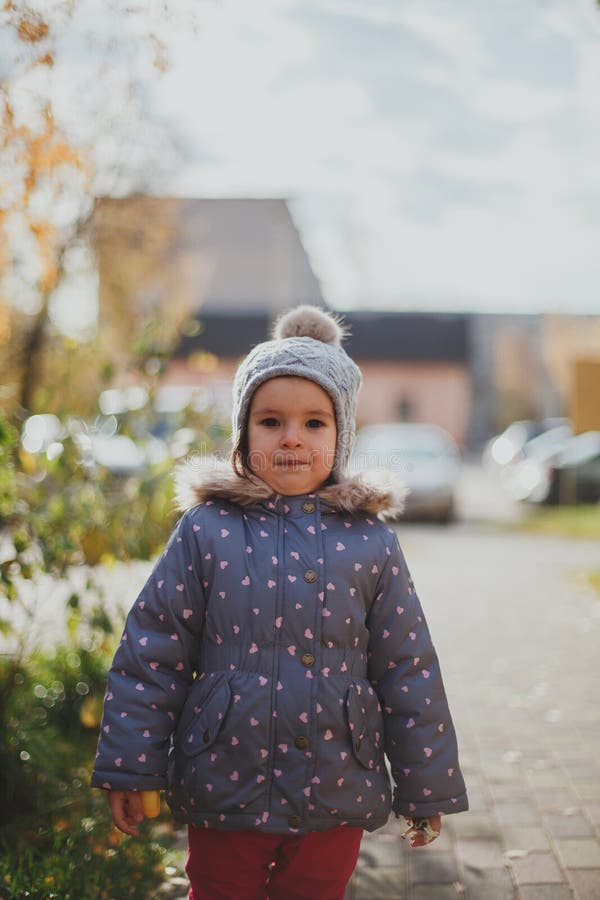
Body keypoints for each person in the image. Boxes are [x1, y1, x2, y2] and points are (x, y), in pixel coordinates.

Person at [91, 305, 468, 899]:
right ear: (243, 433)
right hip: (224, 776)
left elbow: (406, 667)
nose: (292, 437)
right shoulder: (207, 531)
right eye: (271, 421)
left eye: (314, 423)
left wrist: (425, 787)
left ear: (340, 435)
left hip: (336, 782)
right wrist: (132, 766)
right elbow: (152, 651)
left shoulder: (370, 542)